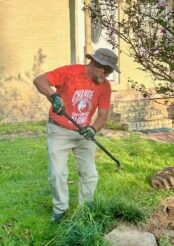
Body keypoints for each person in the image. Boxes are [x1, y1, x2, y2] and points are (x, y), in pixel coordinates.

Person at [33, 48, 120, 222]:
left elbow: (103, 115)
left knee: (90, 174)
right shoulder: (69, 72)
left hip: (84, 133)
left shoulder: (104, 86)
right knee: (58, 173)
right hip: (59, 131)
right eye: (108, 71)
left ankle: (84, 210)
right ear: (98, 66)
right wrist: (53, 95)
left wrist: (93, 129)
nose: (108, 75)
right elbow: (39, 80)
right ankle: (60, 208)